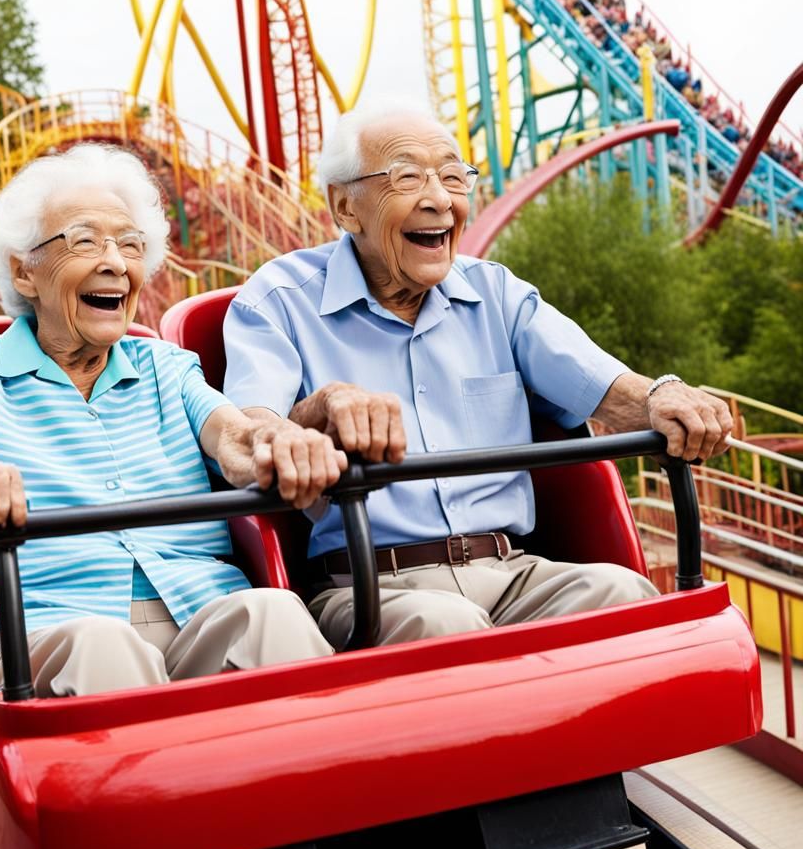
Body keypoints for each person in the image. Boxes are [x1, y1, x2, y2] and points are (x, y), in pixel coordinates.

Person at [223, 97, 734, 650]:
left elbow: (606, 388)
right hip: (370, 583)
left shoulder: (497, 293)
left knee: (624, 595)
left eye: (452, 176)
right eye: (408, 178)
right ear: (346, 208)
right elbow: (252, 431)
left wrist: (662, 396)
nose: (439, 200)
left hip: (512, 572)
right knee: (449, 632)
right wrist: (314, 415)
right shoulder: (277, 300)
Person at [0, 143, 344, 707]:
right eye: (86, 241)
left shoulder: (167, 367)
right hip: (36, 627)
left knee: (273, 614)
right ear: (24, 271)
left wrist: (280, 446)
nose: (116, 262)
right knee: (102, 649)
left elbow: (237, 437)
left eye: (131, 245)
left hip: (194, 609)